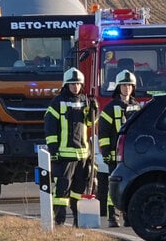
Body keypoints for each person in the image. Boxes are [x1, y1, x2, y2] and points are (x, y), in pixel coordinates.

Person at [44, 67, 96, 226]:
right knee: (62, 189)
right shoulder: (57, 102)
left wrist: (94, 111)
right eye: (72, 84)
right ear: (66, 85)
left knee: (79, 191)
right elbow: (50, 128)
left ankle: (78, 221)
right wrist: (53, 151)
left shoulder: (85, 101)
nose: (75, 86)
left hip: (82, 155)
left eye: (78, 84)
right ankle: (59, 221)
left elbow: (89, 124)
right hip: (64, 155)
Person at [96, 69, 141, 227]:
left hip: (132, 155)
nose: (127, 88)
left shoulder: (137, 107)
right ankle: (113, 218)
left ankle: (129, 218)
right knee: (113, 187)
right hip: (115, 155)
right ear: (118, 88)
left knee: (132, 185)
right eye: (124, 85)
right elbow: (103, 133)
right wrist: (107, 153)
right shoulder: (110, 108)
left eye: (129, 85)